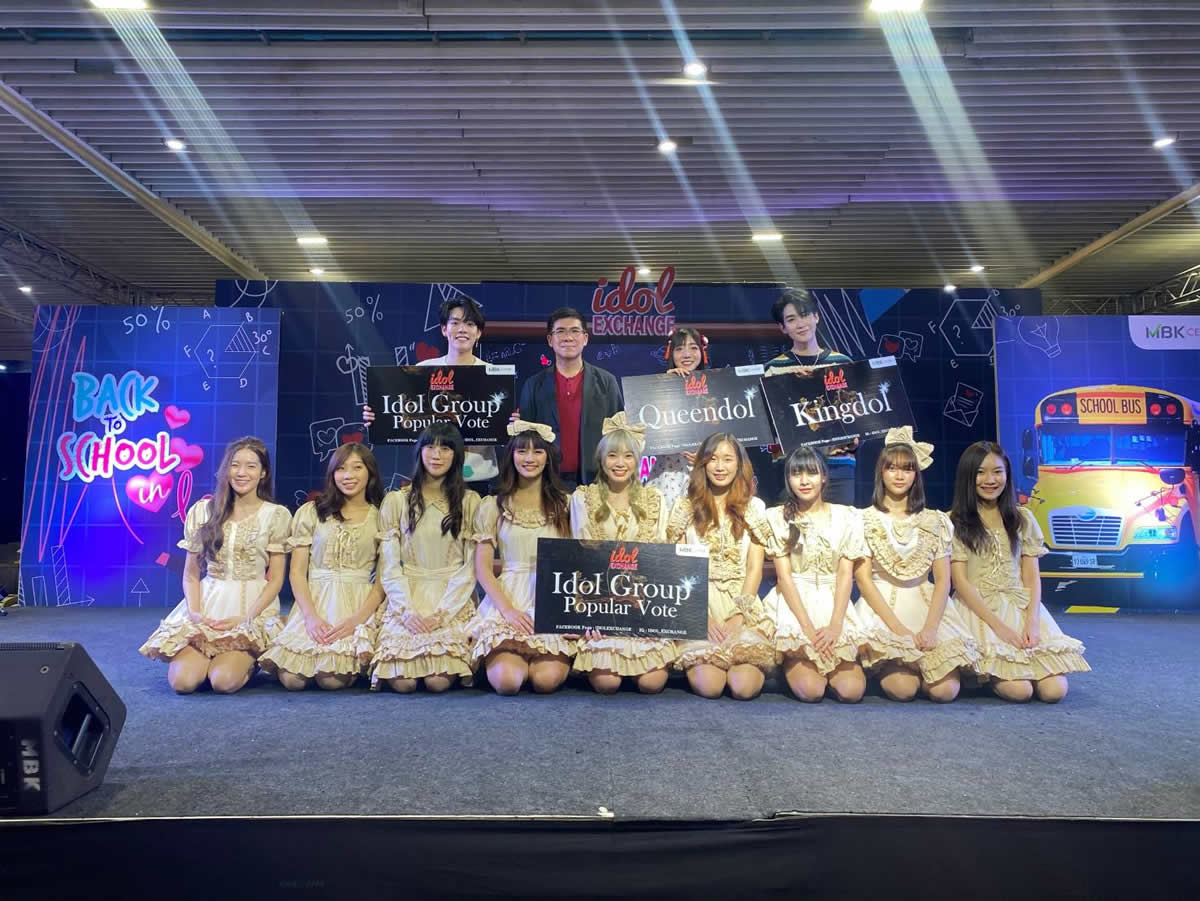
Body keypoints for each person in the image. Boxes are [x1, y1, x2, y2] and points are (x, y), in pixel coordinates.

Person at [139, 437, 291, 694]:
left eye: (251, 466)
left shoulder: (276, 515)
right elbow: (190, 573)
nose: (241, 473)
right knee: (183, 683)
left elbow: (276, 579)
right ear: (226, 469)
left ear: (263, 472)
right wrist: (195, 613)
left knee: (223, 682)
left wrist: (247, 618)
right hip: (209, 603)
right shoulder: (203, 511)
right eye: (235, 465)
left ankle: (252, 659)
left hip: (250, 607)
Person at [949, 441, 1090, 702]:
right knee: (1020, 691)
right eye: (981, 472)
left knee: (1054, 691)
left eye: (997, 472)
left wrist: (1032, 622)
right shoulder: (954, 522)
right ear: (968, 477)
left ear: (1007, 474)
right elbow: (960, 582)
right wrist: (999, 628)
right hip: (978, 611)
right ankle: (986, 678)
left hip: (1019, 606)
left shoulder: (1023, 518)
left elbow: (1031, 577)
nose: (990, 480)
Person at [853, 428, 977, 702]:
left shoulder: (936, 520)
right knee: (903, 689)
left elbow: (943, 579)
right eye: (892, 468)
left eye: (907, 469)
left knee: (944, 692)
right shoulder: (863, 519)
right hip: (882, 607)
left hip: (926, 604)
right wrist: (899, 631)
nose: (899, 476)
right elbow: (863, 580)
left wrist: (930, 629)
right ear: (881, 472)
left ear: (916, 474)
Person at [258, 443, 385, 690]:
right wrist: (310, 617)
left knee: (331, 680)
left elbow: (382, 581)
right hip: (314, 601)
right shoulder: (311, 512)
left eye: (357, 468)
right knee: (292, 680)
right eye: (341, 469)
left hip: (356, 604)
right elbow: (297, 573)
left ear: (370, 472)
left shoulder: (381, 516)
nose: (348, 476)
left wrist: (356, 621)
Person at [570, 412, 676, 694]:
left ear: (637, 461)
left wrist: (656, 617)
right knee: (607, 684)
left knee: (651, 684)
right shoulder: (583, 498)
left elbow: (660, 559)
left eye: (628, 456)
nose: (620, 463)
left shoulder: (654, 499)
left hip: (642, 604)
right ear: (601, 459)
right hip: (600, 603)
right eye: (613, 455)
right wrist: (585, 616)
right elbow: (579, 558)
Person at [665, 432, 777, 700]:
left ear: (739, 464)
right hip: (696, 603)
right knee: (710, 686)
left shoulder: (754, 507)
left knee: (743, 687)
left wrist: (739, 615)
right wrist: (701, 617)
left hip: (741, 602)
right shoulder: (684, 507)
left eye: (727, 459)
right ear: (702, 464)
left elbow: (754, 569)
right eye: (713, 459)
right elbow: (678, 568)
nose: (719, 466)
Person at [372, 422, 481, 692]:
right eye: (430, 447)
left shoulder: (470, 502)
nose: (437, 455)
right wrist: (407, 611)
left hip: (452, 597)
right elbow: (389, 565)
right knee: (403, 683)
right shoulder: (397, 501)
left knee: (437, 681)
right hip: (407, 595)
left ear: (457, 455)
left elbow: (470, 567)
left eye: (445, 448)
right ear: (419, 451)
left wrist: (442, 615)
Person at [469, 420, 576, 694]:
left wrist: (573, 615)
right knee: (508, 682)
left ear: (548, 457)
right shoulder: (493, 505)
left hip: (553, 597)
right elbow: (482, 567)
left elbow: (579, 562)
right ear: (511, 455)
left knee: (545, 681)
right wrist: (508, 611)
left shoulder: (567, 504)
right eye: (522, 451)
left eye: (537, 452)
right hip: (508, 597)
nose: (529, 458)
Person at [761, 446, 870, 703]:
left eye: (811, 473)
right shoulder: (777, 517)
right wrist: (807, 629)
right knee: (811, 691)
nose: (804, 480)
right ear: (788, 479)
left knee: (851, 691)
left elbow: (845, 575)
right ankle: (788, 663)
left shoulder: (847, 517)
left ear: (824, 476)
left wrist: (835, 627)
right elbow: (785, 578)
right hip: (794, 605)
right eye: (796, 474)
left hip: (834, 604)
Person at [363, 293, 498, 482]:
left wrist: (510, 423)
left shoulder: (493, 375)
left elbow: (500, 425)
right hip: (432, 473)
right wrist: (378, 417)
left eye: (469, 324)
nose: (462, 329)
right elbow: (404, 416)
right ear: (444, 329)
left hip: (478, 475)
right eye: (455, 323)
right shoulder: (422, 370)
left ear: (479, 332)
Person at [763, 287, 858, 505]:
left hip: (837, 467)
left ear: (816, 317)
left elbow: (856, 413)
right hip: (792, 468)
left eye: (805, 314)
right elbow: (768, 424)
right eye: (791, 319)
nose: (800, 323)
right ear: (783, 327)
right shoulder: (773, 370)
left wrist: (856, 435)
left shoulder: (843, 363)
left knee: (839, 525)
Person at [514, 307, 623, 488]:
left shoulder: (607, 382)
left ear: (585, 338)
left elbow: (618, 434)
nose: (568, 337)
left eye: (574, 331)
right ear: (550, 340)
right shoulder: (533, 385)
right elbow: (526, 439)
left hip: (596, 481)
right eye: (560, 331)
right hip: (546, 483)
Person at [642, 326, 706, 512]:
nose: (687, 354)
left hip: (707, 470)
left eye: (693, 348)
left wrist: (708, 454)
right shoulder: (658, 384)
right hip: (669, 471)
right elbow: (644, 428)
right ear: (671, 353)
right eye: (679, 349)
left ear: (702, 351)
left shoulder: (716, 386)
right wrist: (664, 385)